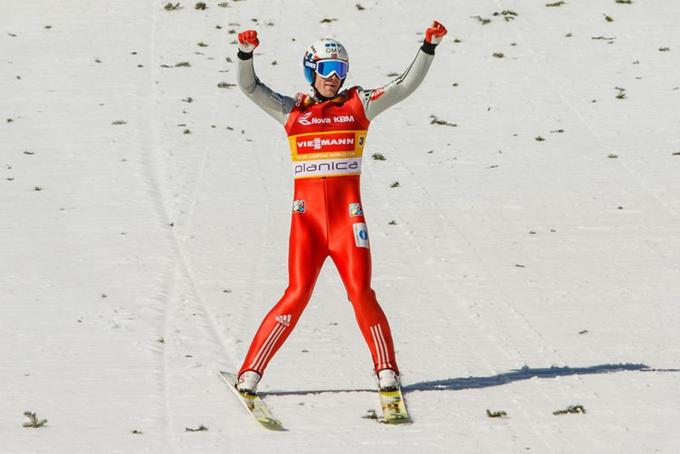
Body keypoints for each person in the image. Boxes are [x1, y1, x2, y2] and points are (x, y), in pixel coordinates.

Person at [234, 21, 447, 395]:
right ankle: (251, 371)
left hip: (348, 222)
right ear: (311, 70)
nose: (334, 77)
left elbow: (404, 85)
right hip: (308, 225)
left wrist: (428, 46)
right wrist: (246, 55)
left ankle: (387, 370)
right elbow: (249, 87)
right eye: (327, 69)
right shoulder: (291, 111)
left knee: (361, 293)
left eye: (340, 69)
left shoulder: (358, 104)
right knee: (296, 294)